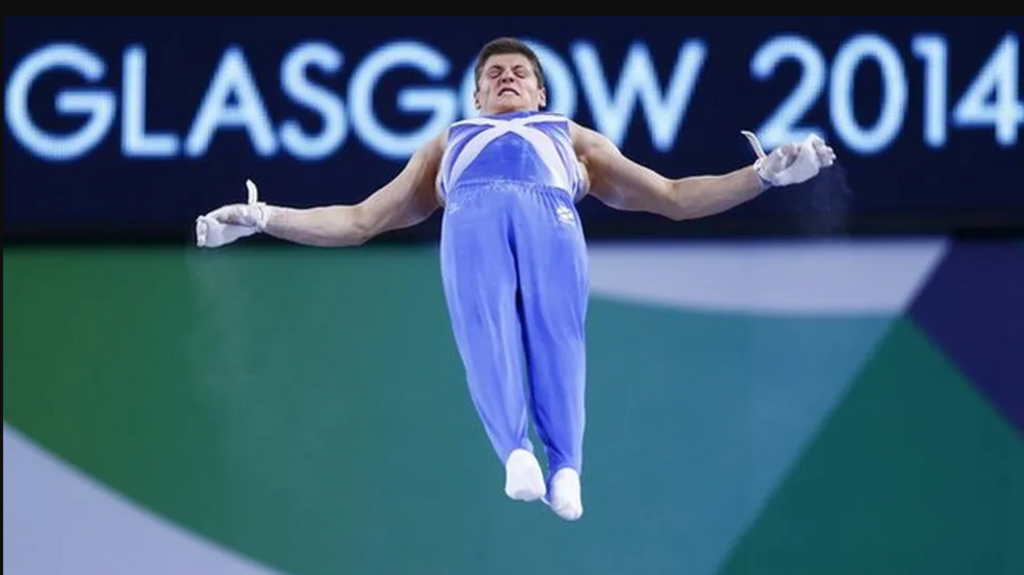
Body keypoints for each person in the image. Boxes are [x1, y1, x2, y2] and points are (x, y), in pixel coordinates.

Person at [195, 36, 836, 521]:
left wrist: (763, 176)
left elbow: (671, 194)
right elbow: (358, 220)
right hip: (469, 220)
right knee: (486, 328)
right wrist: (263, 217)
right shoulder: (446, 145)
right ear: (476, 98)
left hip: (552, 217)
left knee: (559, 335)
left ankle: (568, 466)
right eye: (493, 75)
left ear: (541, 95)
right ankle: (517, 453)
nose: (506, 79)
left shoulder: (574, 138)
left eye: (519, 74)